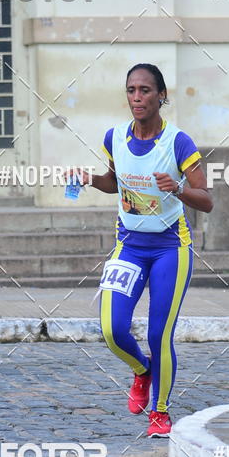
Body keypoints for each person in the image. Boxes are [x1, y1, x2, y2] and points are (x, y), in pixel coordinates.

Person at [77, 63, 213, 437]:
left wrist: (179, 189)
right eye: (131, 90)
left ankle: (160, 410)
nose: (137, 98)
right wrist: (89, 179)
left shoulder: (179, 143)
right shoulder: (114, 137)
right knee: (111, 328)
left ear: (161, 96)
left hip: (171, 247)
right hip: (129, 247)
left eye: (146, 91)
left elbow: (206, 201)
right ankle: (142, 371)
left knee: (158, 334)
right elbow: (113, 181)